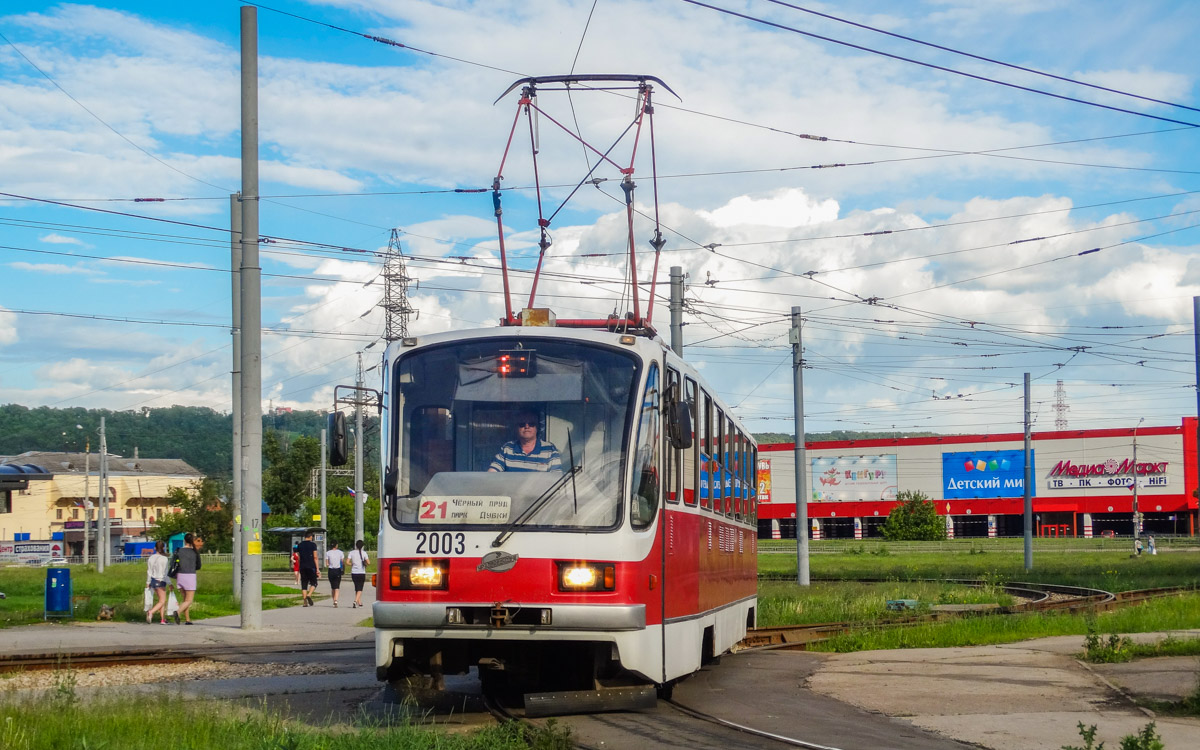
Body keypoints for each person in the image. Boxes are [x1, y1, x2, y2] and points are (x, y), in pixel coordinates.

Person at [487, 410, 562, 472]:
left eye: (531, 424)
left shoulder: (550, 450)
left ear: (537, 427)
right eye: (522, 424)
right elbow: (492, 473)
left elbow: (556, 478)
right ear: (516, 428)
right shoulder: (507, 448)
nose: (526, 426)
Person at [174, 533, 203, 625]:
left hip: (180, 576)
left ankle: (187, 619)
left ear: (184, 540)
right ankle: (177, 612)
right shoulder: (194, 552)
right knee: (189, 600)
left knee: (184, 600)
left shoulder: (178, 550)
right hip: (190, 575)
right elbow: (198, 566)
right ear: (192, 541)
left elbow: (174, 563)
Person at [144, 540, 169, 625]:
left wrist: (148, 582)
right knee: (162, 601)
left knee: (161, 600)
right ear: (163, 548)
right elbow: (165, 573)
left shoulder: (151, 558)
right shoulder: (164, 559)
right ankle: (151, 612)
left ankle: (162, 619)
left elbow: (149, 571)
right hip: (161, 581)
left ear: (155, 548)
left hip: (153, 581)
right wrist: (170, 583)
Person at [297, 530, 320, 607]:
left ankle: (304, 602)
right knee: (314, 582)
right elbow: (315, 557)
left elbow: (298, 556)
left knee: (304, 584)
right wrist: (317, 568)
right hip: (311, 566)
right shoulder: (313, 545)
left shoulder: (300, 545)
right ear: (311, 537)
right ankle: (309, 594)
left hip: (302, 566)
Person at [348, 539, 369, 609]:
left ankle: (359, 602)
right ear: (362, 546)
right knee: (360, 588)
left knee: (357, 587)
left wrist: (352, 564)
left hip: (354, 572)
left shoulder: (351, 553)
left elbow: (347, 562)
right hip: (361, 572)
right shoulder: (364, 553)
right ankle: (355, 601)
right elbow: (368, 562)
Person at [324, 540, 345, 607]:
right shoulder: (340, 553)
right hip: (337, 570)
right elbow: (342, 562)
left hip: (331, 570)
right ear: (336, 545)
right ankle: (336, 601)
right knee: (337, 587)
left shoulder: (328, 553)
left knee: (333, 587)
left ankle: (334, 600)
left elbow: (327, 563)